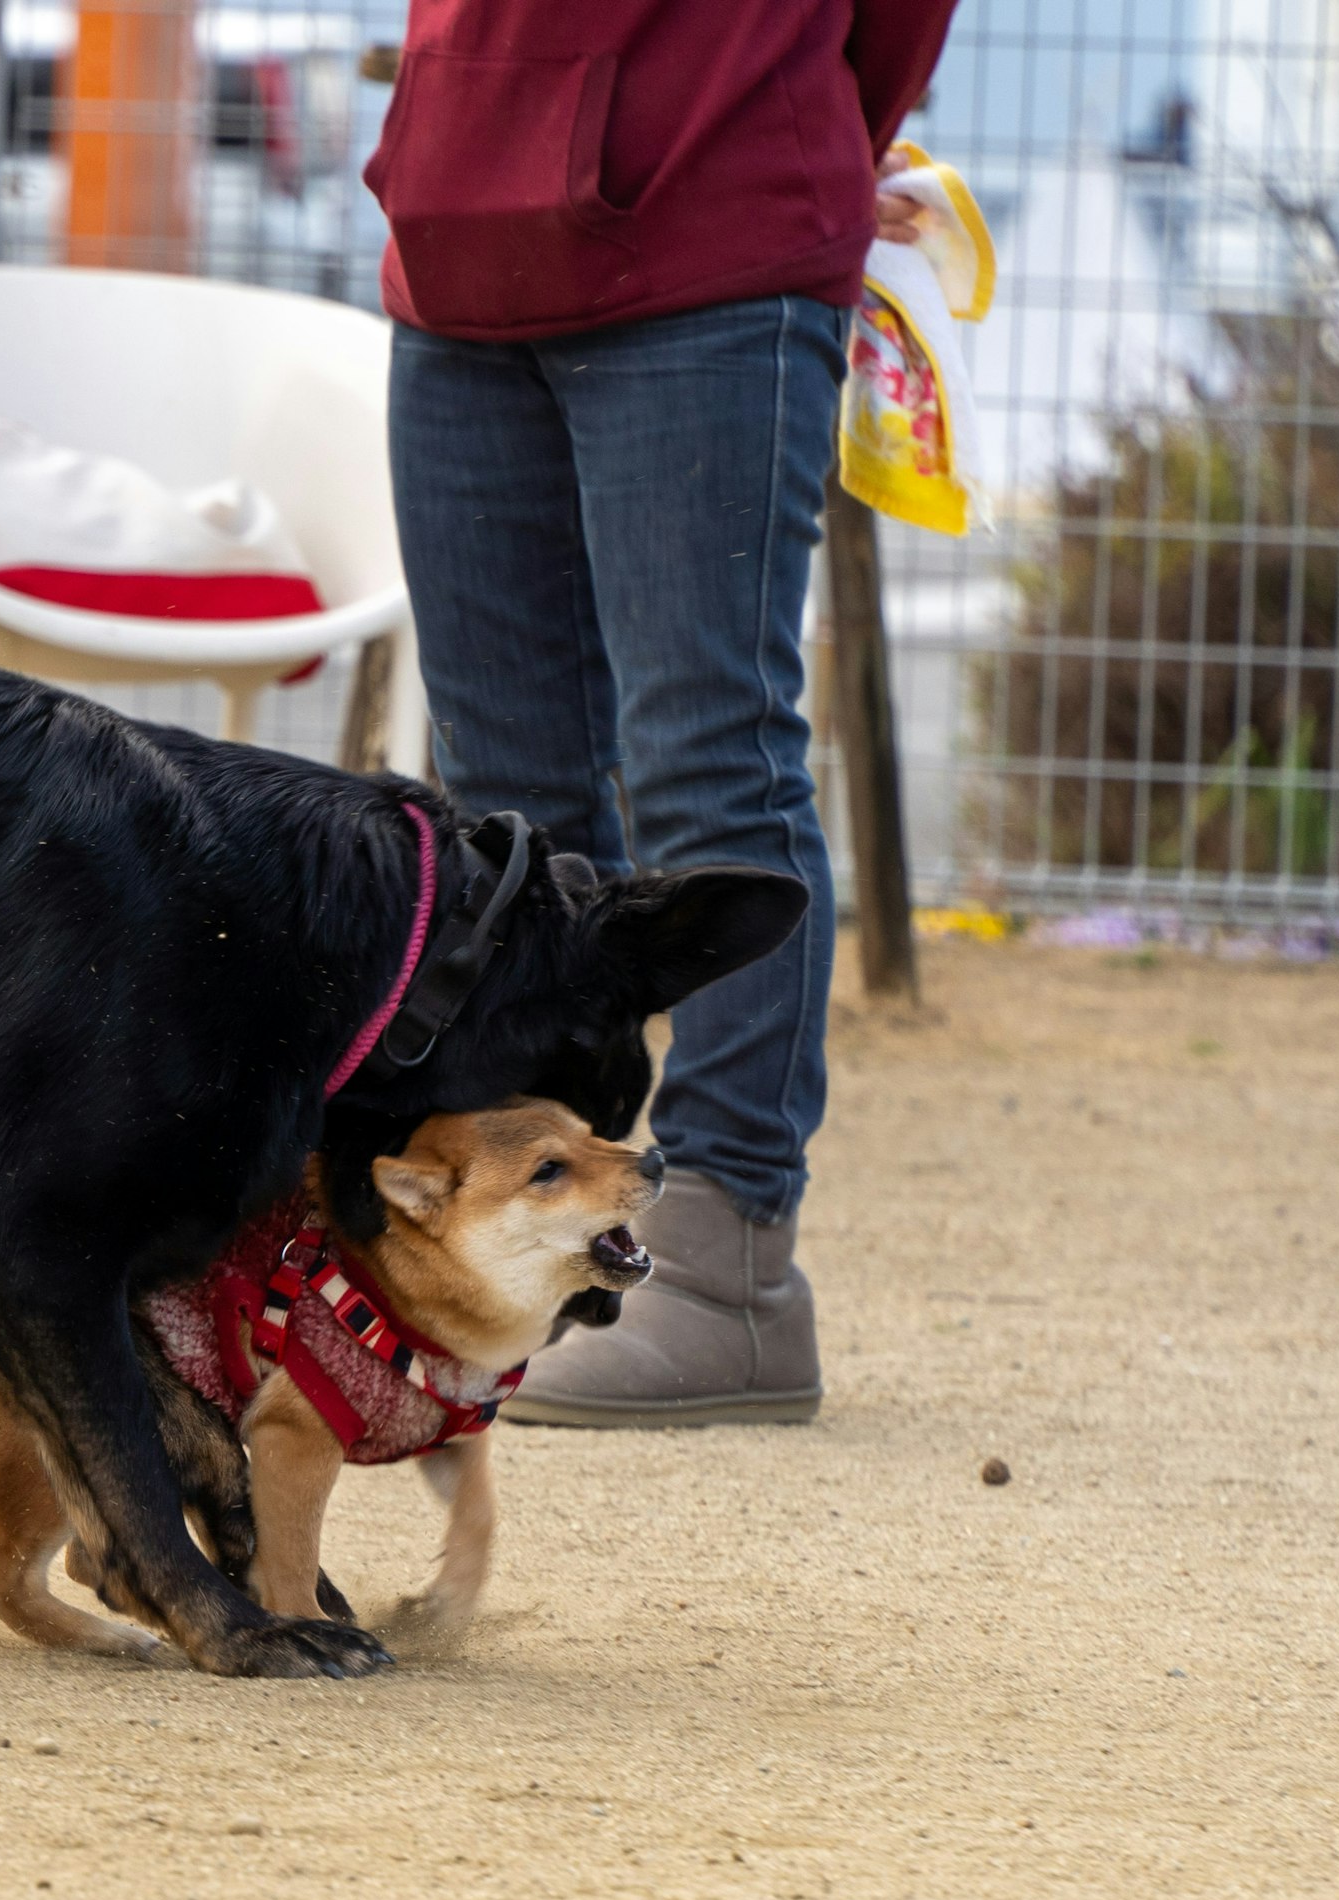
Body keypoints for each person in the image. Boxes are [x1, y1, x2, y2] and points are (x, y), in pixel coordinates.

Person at [363, 1, 961, 1425]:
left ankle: (730, 1274)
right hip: (457, 242)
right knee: (502, 807)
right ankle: (536, 1251)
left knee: (714, 774)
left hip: (717, 233)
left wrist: (790, 128)